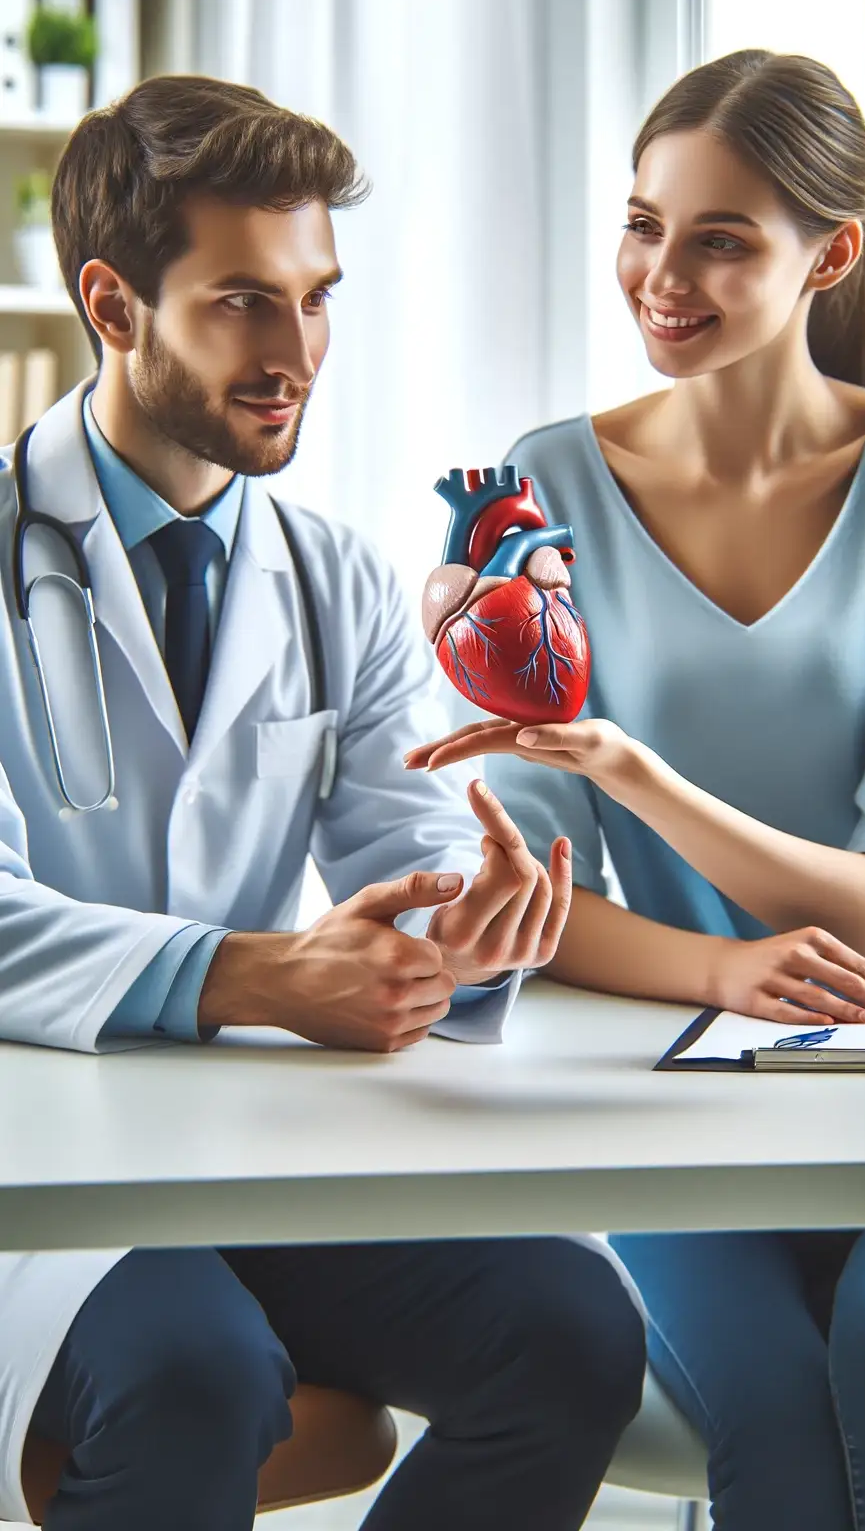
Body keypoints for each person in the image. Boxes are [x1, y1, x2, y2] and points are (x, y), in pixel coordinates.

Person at [0, 75, 646, 1531]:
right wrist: (261, 973)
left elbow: (408, 841)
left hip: (243, 1152)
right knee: (198, 1376)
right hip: (30, 1176)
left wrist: (460, 930)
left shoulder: (333, 573)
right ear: (114, 306)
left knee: (573, 1330)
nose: (299, 352)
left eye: (318, 298)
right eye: (243, 302)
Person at [406, 49, 865, 1531]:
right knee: (764, 1404)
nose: (659, 275)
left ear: (834, 254)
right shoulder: (540, 491)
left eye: (720, 237)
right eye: (642, 224)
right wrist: (724, 970)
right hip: (664, 1091)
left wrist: (636, 774)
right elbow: (531, 908)